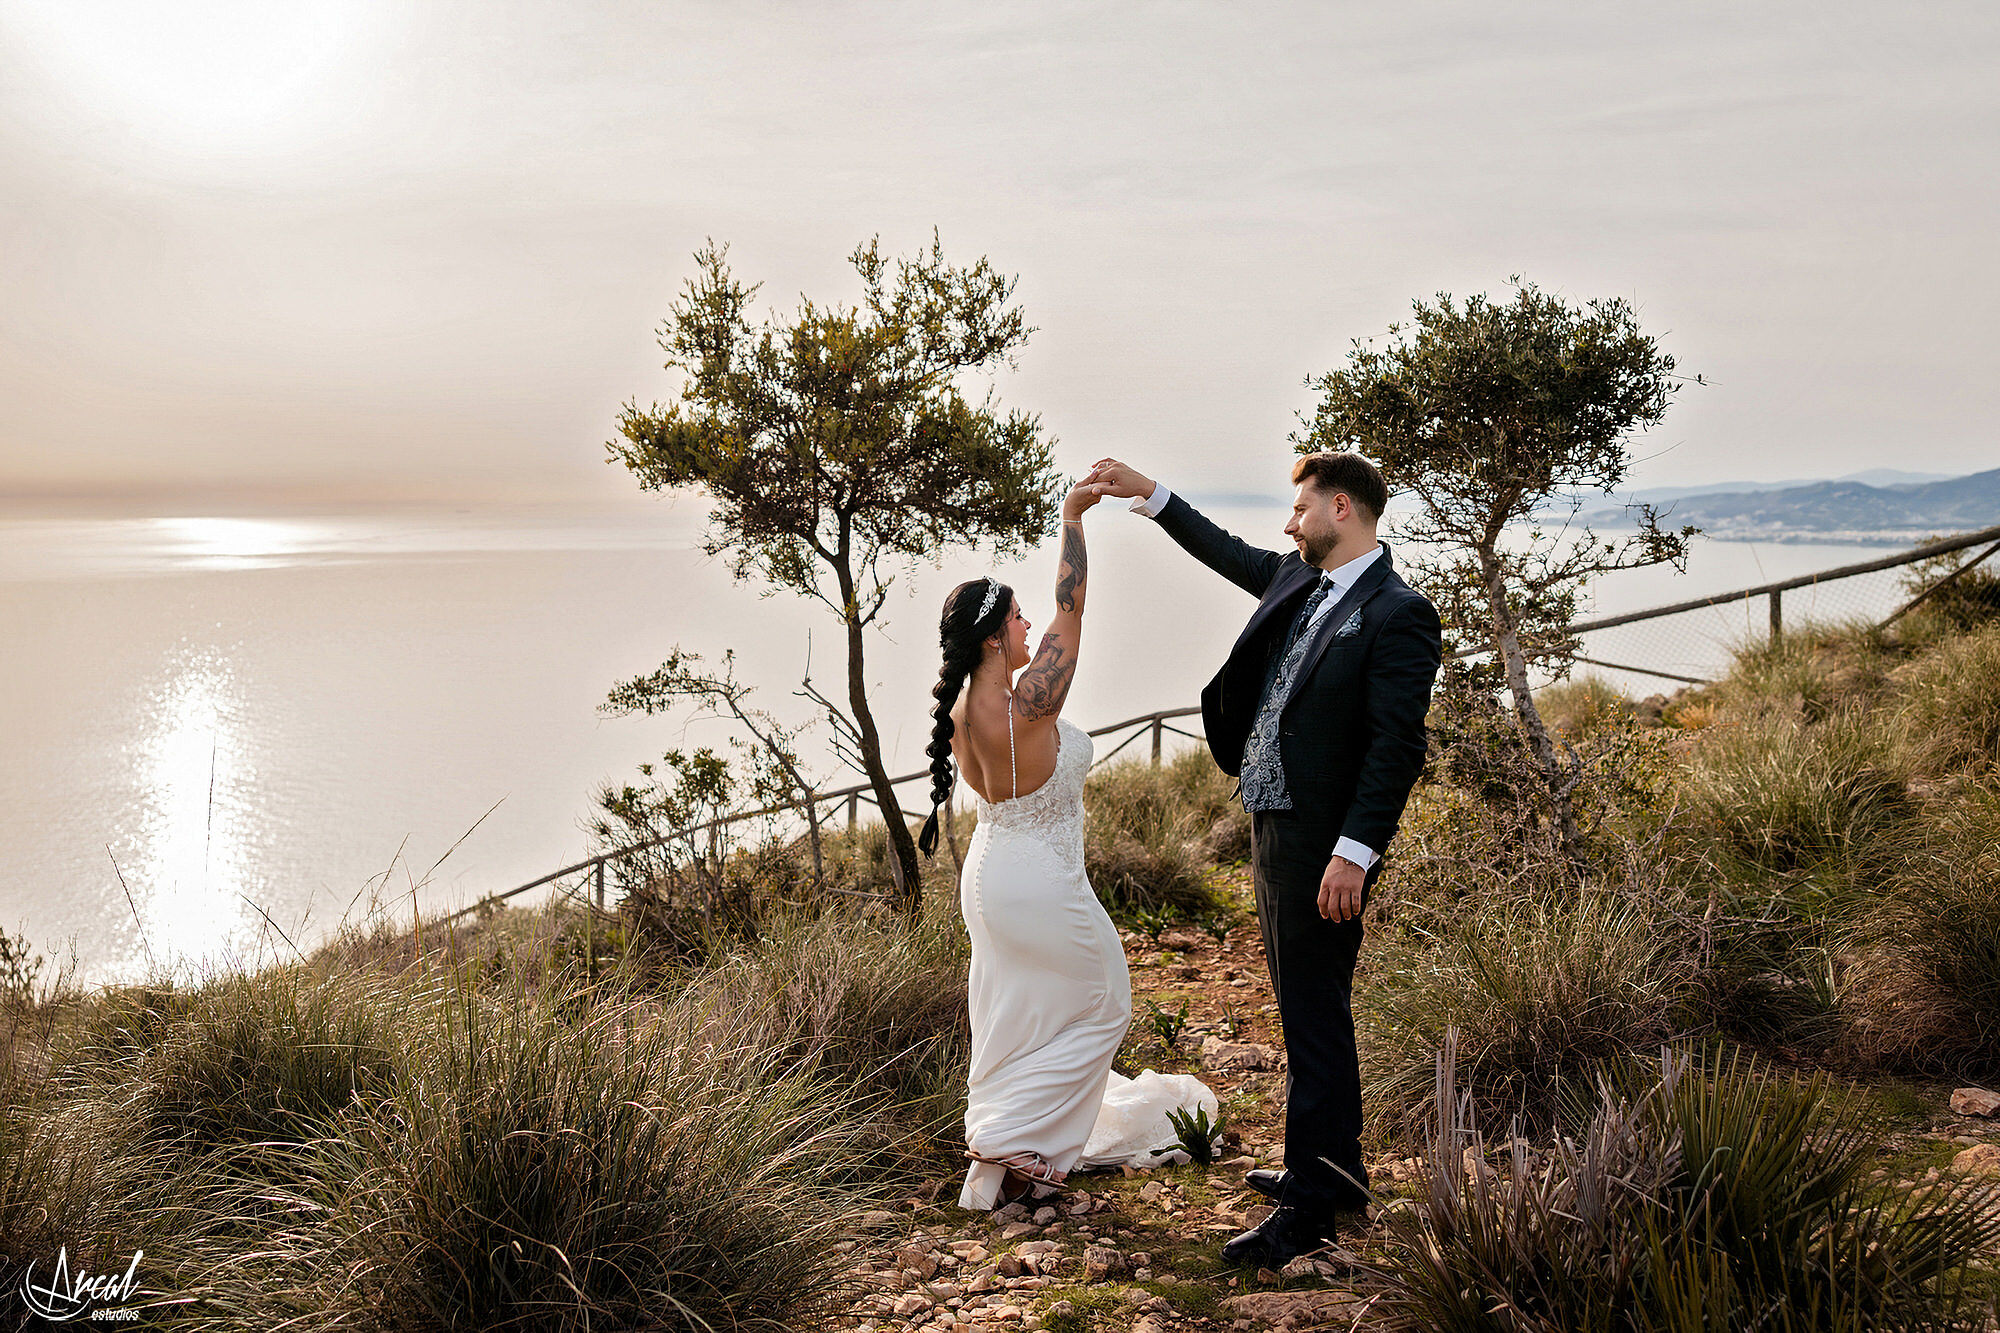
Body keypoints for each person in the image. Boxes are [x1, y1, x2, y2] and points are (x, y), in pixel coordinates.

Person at [1085, 451, 1443, 1267]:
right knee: (1303, 1007)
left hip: (1326, 846)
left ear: (1342, 508)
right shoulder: (1297, 578)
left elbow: (1395, 746)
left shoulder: (1399, 613)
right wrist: (1150, 495)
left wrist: (1354, 854)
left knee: (1315, 1016)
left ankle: (1311, 1208)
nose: (1289, 524)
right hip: (1272, 826)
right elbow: (1223, 549)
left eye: (1301, 509)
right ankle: (1335, 1170)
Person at [918, 476, 1135, 1211]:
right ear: (993, 636)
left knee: (1013, 1014)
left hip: (986, 876)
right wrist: (1072, 517)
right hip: (1040, 877)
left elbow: (1054, 616)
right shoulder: (1029, 704)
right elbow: (1072, 608)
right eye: (1016, 617)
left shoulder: (958, 710)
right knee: (1106, 1001)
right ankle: (1014, 1142)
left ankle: (1003, 1159)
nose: (1028, 624)